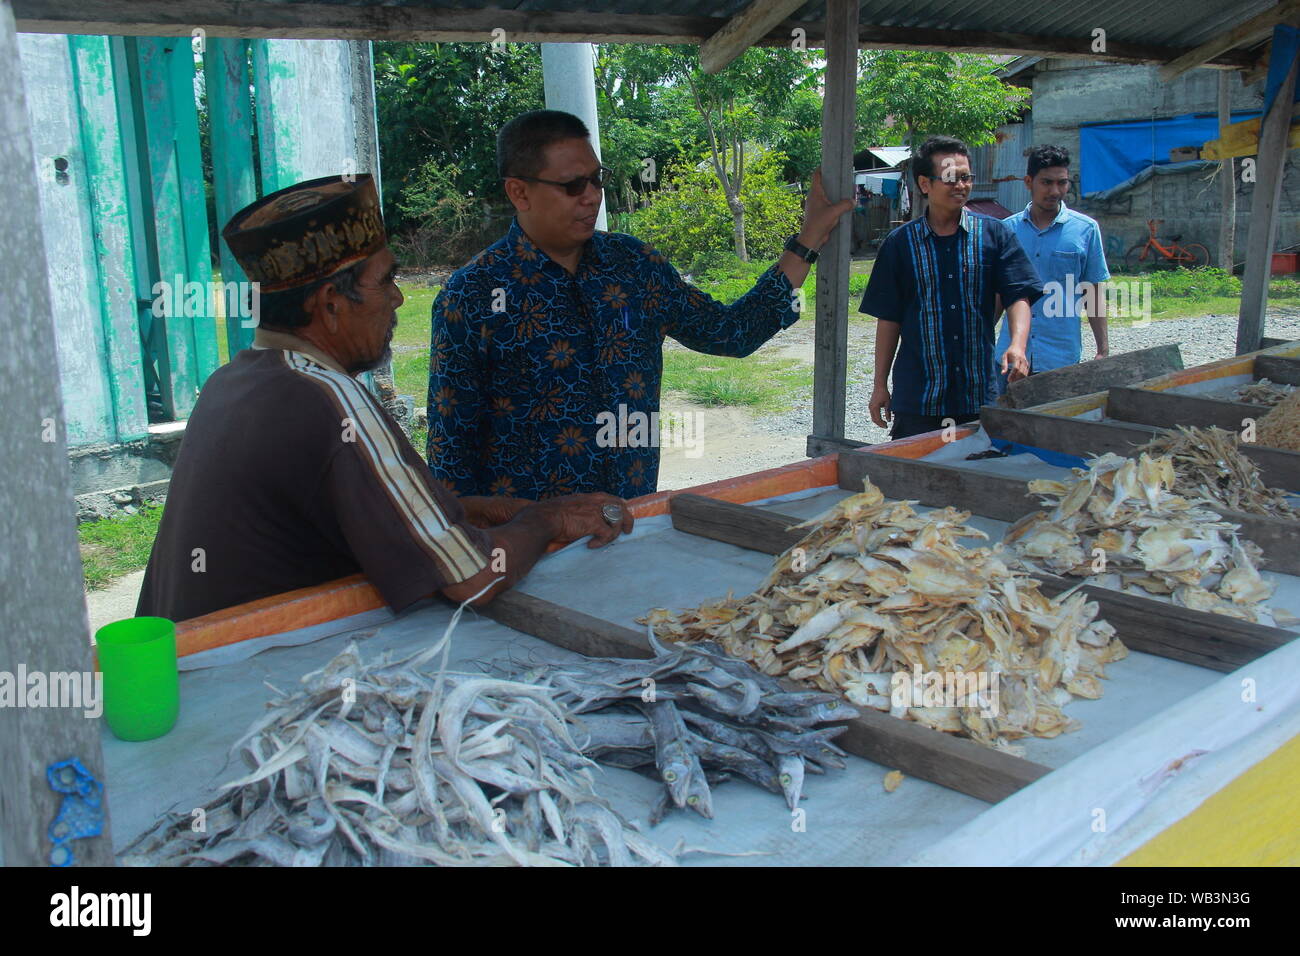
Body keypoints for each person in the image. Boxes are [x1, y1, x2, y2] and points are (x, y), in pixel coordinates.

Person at [136, 174, 630, 623]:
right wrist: (545, 518)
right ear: (330, 305)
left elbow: (374, 516)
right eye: (386, 280)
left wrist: (471, 510)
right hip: (253, 680)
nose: (397, 299)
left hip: (195, 667)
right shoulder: (327, 398)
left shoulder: (233, 380)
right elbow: (476, 579)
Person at [426, 109, 852, 499]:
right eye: (573, 185)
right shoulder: (473, 295)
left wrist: (808, 240)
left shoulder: (635, 266)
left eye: (597, 179)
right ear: (519, 192)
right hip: (531, 545)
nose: (592, 196)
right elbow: (450, 450)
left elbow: (731, 332)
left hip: (632, 518)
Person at [861, 136, 1043, 441]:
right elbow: (889, 318)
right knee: (913, 481)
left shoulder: (994, 235)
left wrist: (1018, 345)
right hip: (919, 397)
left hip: (977, 392)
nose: (960, 185)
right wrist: (880, 384)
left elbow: (1018, 293)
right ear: (924, 184)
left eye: (966, 177)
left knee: (980, 475)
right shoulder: (900, 244)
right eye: (950, 178)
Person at [993, 144, 1110, 388]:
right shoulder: (1006, 231)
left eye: (1062, 183)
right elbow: (996, 296)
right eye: (1046, 182)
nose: (1055, 190)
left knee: (1056, 424)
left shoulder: (1085, 230)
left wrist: (1102, 350)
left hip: (1061, 358)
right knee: (1006, 423)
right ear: (1028, 182)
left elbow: (1093, 292)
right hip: (1010, 358)